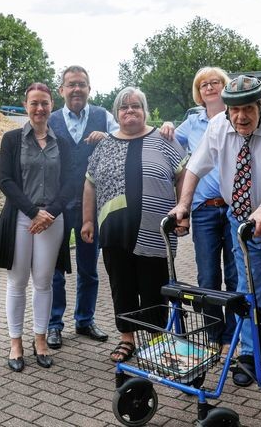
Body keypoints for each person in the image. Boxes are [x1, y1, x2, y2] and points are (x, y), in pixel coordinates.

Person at [169, 75, 261, 392]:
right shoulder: (219, 126)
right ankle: (249, 356)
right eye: (234, 111)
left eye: (248, 108)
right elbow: (195, 166)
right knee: (248, 291)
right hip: (243, 222)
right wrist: (182, 204)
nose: (241, 117)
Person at [82, 87, 188, 363]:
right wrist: (87, 220)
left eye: (135, 106)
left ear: (144, 110)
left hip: (156, 231)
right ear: (117, 113)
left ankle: (156, 341)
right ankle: (127, 338)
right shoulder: (104, 144)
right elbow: (90, 184)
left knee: (154, 287)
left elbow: (184, 176)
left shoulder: (164, 138)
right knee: (122, 285)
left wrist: (182, 210)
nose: (130, 111)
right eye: (124, 107)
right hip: (114, 231)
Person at [0, 83, 73, 372]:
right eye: (34, 103)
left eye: (45, 103)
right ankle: (16, 344)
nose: (40, 109)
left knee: (44, 282)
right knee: (17, 281)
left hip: (52, 218)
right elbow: (5, 181)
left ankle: (40, 340)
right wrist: (33, 212)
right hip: (21, 218)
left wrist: (48, 213)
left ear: (52, 106)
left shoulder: (61, 142)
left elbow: (70, 183)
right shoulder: (12, 139)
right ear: (26, 105)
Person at [160, 67, 237, 353]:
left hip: (233, 208)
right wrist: (167, 124)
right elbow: (165, 146)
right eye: (203, 84)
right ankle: (214, 336)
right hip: (204, 209)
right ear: (198, 91)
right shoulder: (192, 124)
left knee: (234, 275)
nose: (209, 87)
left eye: (214, 82)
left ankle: (233, 336)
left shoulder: (237, 115)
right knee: (207, 276)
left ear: (224, 86)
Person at [46, 66, 118, 349]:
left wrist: (108, 137)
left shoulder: (103, 117)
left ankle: (85, 320)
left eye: (82, 84)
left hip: (92, 207)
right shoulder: (50, 120)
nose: (77, 89)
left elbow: (125, 138)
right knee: (55, 269)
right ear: (61, 90)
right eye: (71, 84)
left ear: (90, 89)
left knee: (89, 268)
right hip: (59, 206)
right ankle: (53, 324)